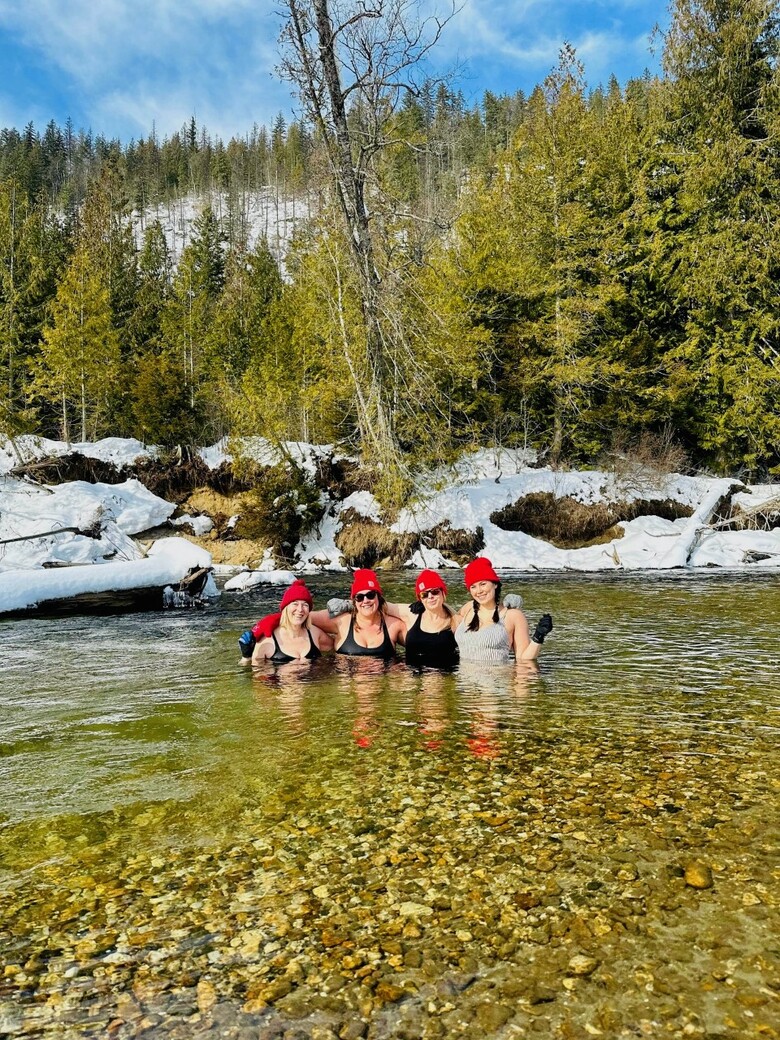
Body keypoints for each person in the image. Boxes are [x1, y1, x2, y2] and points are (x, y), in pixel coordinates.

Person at [455, 557, 552, 664]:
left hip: (498, 679)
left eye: (483, 584)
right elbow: (446, 617)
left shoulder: (513, 615)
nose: (478, 591)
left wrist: (538, 636)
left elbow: (523, 660)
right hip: (464, 680)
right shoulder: (468, 608)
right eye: (473, 587)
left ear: (495, 584)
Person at [309, 569, 405, 659]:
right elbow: (303, 617)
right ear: (354, 601)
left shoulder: (394, 625)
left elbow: (417, 642)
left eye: (370, 595)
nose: (366, 600)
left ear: (378, 597)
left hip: (385, 676)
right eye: (360, 597)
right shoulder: (342, 621)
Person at [238, 579, 332, 666]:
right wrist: (246, 657)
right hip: (283, 683)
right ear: (285, 608)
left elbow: (336, 649)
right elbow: (256, 677)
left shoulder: (315, 633)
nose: (300, 609)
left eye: (305, 605)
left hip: (316, 683)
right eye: (295, 604)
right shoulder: (267, 641)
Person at [383, 568, 459, 669]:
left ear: (443, 592)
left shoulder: (455, 620)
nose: (430, 597)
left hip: (443, 679)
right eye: (424, 594)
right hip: (413, 679)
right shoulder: (413, 614)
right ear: (420, 599)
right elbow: (381, 606)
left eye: (435, 592)